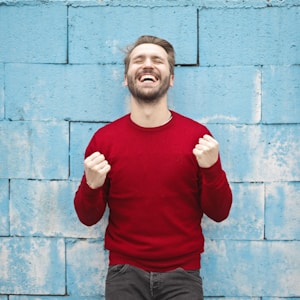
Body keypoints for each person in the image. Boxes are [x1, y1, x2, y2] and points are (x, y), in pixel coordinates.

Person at [74, 35, 232, 300]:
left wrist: (212, 169)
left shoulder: (198, 137)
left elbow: (219, 212)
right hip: (124, 274)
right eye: (139, 60)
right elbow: (87, 217)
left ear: (170, 79)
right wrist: (92, 186)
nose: (147, 65)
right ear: (127, 78)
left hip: (184, 275)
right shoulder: (104, 140)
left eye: (157, 60)